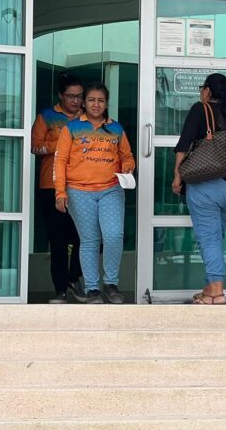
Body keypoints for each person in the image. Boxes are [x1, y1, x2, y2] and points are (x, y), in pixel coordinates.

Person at [54, 82, 135, 304]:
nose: (96, 104)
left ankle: (111, 284)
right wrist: (60, 192)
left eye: (100, 100)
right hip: (79, 191)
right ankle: (92, 289)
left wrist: (128, 165)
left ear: (106, 103)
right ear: (84, 103)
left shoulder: (116, 128)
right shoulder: (71, 128)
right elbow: (59, 161)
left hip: (111, 189)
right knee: (89, 240)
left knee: (114, 235)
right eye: (91, 100)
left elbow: (127, 156)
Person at [172, 73, 226, 305]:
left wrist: (177, 176)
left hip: (206, 186)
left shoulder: (200, 109)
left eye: (203, 88)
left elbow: (184, 146)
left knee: (209, 239)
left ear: (208, 91)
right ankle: (209, 287)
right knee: (214, 237)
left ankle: (217, 292)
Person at [31, 72, 86, 303]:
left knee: (87, 236)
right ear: (60, 96)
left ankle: (74, 277)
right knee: (58, 240)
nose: (76, 101)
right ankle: (61, 289)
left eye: (79, 96)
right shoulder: (47, 116)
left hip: (83, 186)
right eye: (71, 96)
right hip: (51, 186)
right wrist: (62, 142)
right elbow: (35, 147)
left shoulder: (89, 117)